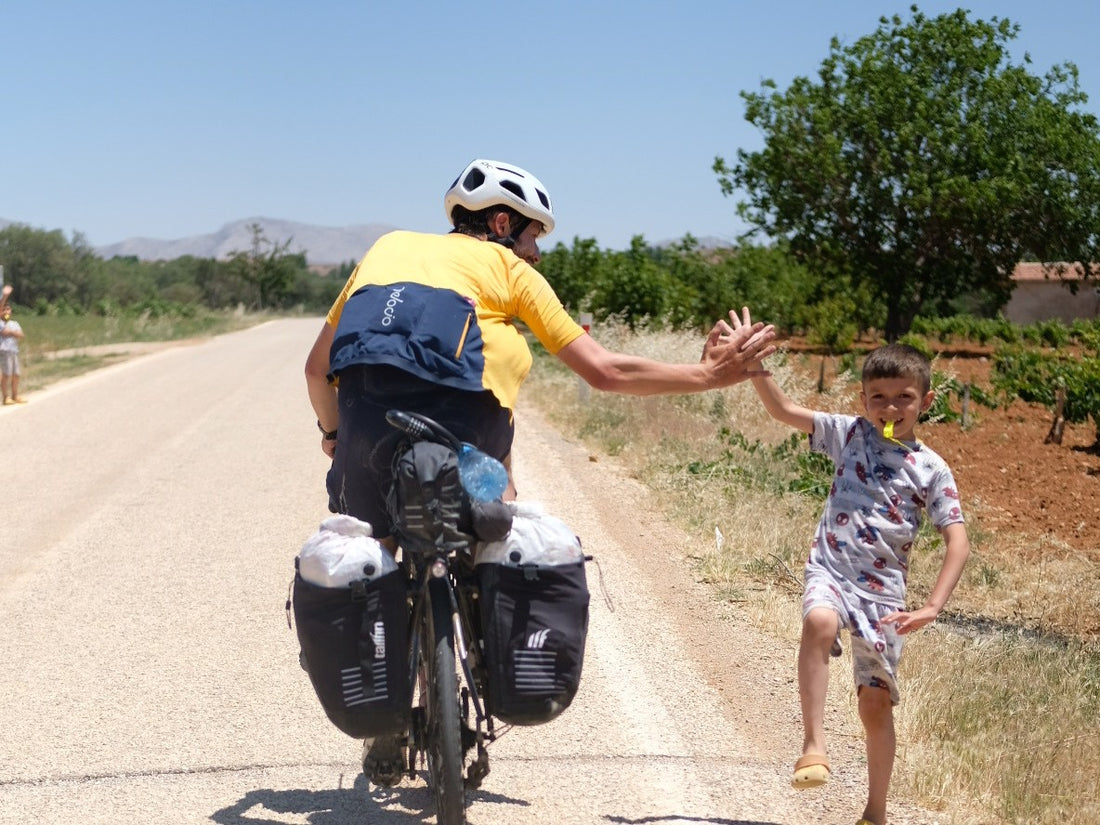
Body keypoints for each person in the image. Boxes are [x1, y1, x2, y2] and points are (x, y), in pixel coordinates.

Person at [303, 158, 778, 786]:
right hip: (470, 440)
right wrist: (709, 375)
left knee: (376, 554)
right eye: (534, 236)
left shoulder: (385, 250)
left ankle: (385, 708)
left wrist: (334, 435)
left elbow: (316, 367)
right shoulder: (509, 270)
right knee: (496, 519)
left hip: (369, 432)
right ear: (502, 224)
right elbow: (603, 371)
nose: (537, 252)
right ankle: (487, 625)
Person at [728, 316, 970, 825]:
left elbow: (958, 541)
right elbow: (784, 411)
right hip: (831, 571)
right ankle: (813, 746)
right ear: (863, 400)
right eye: (878, 396)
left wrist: (932, 607)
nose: (890, 407)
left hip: (884, 598)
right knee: (818, 621)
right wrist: (755, 367)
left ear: (926, 402)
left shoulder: (932, 469)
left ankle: (875, 812)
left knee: (874, 707)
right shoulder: (850, 434)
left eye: (903, 398)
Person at [1, 301, 27, 405]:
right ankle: (5, 397)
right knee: (6, 374)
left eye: (7, 309)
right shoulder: (1, 323)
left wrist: (11, 332)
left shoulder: (14, 323)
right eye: (3, 310)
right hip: (4, 351)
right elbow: (4, 332)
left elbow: (21, 335)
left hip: (14, 350)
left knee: (16, 374)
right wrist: (13, 333)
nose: (6, 312)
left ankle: (15, 395)